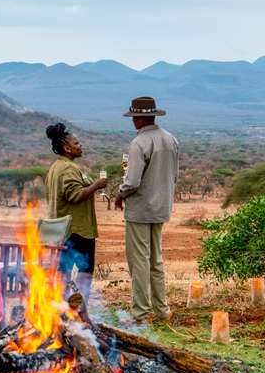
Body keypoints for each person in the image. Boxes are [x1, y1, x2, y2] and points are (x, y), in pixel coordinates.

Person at [114, 97, 180, 324]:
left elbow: (132, 181)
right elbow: (174, 177)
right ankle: (162, 309)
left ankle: (140, 312)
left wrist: (120, 194)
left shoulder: (139, 143)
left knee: (139, 260)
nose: (133, 122)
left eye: (134, 117)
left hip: (140, 209)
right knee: (156, 259)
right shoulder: (171, 139)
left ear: (139, 118)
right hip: (161, 207)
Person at [45, 123, 107, 302]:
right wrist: (96, 185)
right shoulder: (68, 169)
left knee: (63, 270)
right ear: (67, 148)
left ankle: (63, 308)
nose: (80, 146)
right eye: (77, 144)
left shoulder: (58, 166)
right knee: (85, 270)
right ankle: (80, 309)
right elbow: (75, 196)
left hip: (63, 228)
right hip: (77, 229)